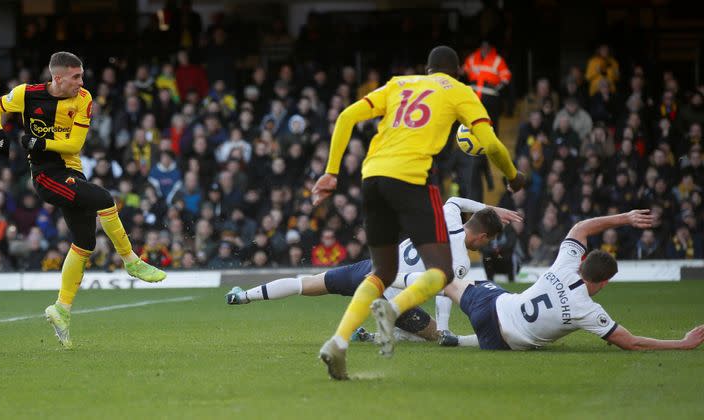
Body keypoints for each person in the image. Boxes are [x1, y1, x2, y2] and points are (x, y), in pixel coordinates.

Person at [312, 45, 525, 378]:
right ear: (456, 73)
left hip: (372, 177)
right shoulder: (460, 91)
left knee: (381, 272)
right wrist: (513, 177)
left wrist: (332, 172)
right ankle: (393, 307)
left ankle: (338, 342)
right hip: (411, 179)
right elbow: (494, 145)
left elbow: (345, 117)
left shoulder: (398, 84)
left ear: (427, 70)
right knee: (442, 272)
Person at [0, 51, 166, 349]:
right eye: (76, 77)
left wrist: (40, 141)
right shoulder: (26, 95)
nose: (82, 82)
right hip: (46, 175)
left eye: (82, 76)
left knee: (85, 242)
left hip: (72, 172)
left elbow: (74, 144)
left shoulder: (83, 98)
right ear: (58, 78)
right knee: (105, 198)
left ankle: (61, 309)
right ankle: (131, 261)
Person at [226, 197, 520, 347]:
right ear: (483, 238)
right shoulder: (459, 259)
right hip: (390, 294)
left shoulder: (449, 215)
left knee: (307, 283)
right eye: (488, 241)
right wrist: (443, 329)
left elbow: (455, 200)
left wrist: (490, 207)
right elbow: (446, 293)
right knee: (431, 334)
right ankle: (371, 336)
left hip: (372, 268)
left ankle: (244, 297)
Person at [407, 210, 704, 352]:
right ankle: (453, 339)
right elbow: (631, 342)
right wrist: (682, 343)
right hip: (498, 340)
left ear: (583, 262)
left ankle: (395, 289)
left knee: (444, 278)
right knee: (518, 339)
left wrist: (626, 218)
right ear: (604, 283)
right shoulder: (586, 310)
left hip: (490, 302)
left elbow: (581, 226)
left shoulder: (565, 265)